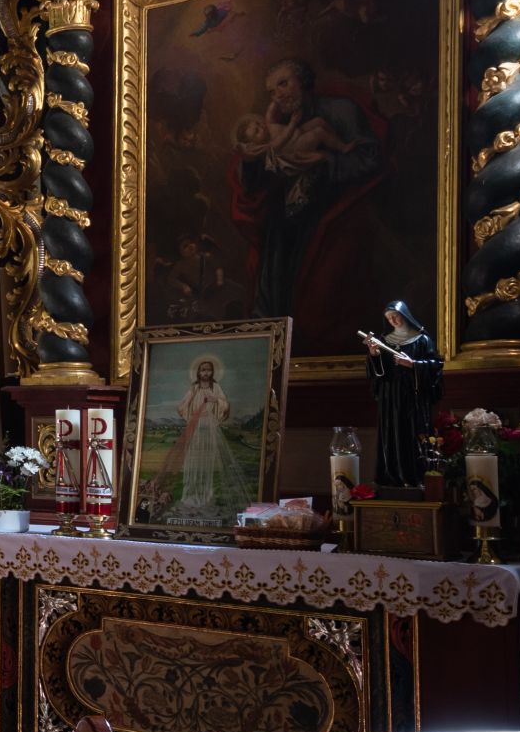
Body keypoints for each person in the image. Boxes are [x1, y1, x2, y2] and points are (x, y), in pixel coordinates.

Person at [229, 57, 382, 318]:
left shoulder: (341, 110)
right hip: (289, 219)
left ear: (302, 80)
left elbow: (370, 159)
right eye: (272, 92)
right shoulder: (276, 126)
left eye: (283, 84)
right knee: (277, 250)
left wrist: (324, 163)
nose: (278, 95)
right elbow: (255, 183)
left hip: (337, 211)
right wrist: (251, 161)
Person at [361, 301, 444, 488]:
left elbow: (436, 367)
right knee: (390, 435)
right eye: (389, 318)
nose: (393, 321)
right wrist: (374, 355)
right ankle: (390, 476)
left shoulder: (421, 340)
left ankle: (413, 478)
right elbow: (379, 374)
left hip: (412, 398)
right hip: (390, 397)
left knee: (411, 436)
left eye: (395, 316)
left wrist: (413, 364)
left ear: (405, 315)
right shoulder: (384, 340)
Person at [152, 356, 235, 519]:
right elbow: (182, 406)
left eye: (208, 370)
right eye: (203, 370)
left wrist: (215, 400)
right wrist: (191, 416)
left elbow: (225, 404)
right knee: (193, 461)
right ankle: (189, 496)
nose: (206, 373)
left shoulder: (216, 387)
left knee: (206, 462)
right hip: (195, 427)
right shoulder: (194, 388)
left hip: (209, 427)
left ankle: (206, 497)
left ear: (212, 372)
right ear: (198, 372)